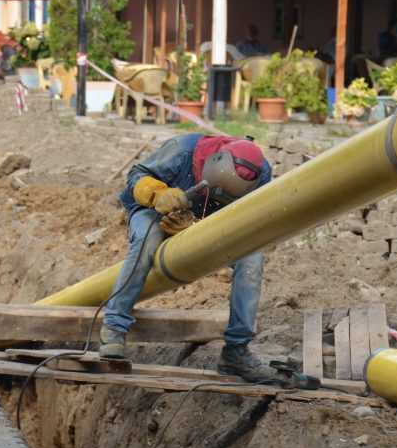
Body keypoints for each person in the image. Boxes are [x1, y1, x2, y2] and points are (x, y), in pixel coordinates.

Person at [99, 134, 279, 383]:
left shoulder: (260, 173)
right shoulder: (182, 151)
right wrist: (157, 194)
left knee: (252, 258)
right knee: (147, 240)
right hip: (154, 209)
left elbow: (254, 219)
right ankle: (114, 329)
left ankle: (236, 352)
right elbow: (135, 176)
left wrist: (194, 227)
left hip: (213, 218)